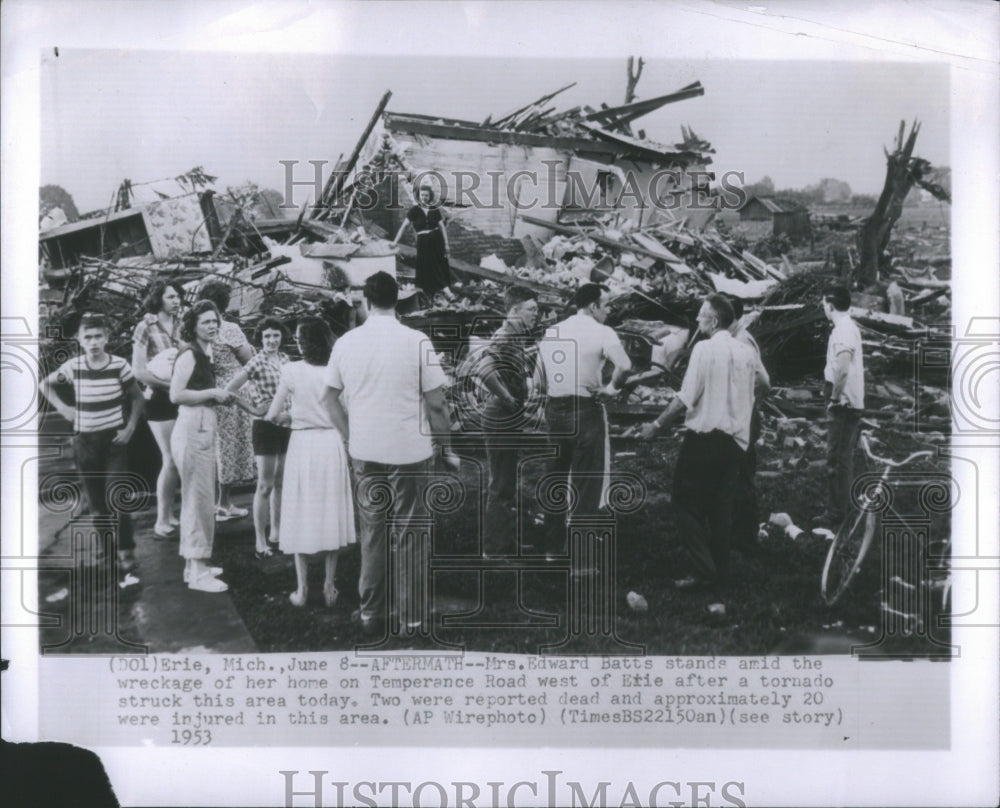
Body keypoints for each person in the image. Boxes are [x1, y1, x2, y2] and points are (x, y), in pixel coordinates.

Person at [325, 271, 457, 635]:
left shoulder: (346, 343)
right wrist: (446, 448)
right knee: (411, 533)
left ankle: (371, 614)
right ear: (398, 300)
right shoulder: (417, 340)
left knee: (373, 532)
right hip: (408, 451)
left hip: (365, 450)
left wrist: (350, 437)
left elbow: (329, 399)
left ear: (365, 302)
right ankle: (412, 618)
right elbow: (437, 404)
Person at [640, 294, 769, 618]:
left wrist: (656, 424)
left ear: (713, 321)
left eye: (701, 317)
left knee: (683, 504)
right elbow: (763, 386)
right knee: (721, 510)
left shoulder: (704, 349)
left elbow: (685, 397)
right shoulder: (746, 351)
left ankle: (705, 567)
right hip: (735, 442)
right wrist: (744, 414)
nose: (697, 322)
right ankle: (718, 577)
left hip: (704, 439)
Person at [39, 312, 144, 580]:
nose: (94, 341)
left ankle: (126, 552)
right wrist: (64, 409)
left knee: (116, 498)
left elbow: (137, 398)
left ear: (106, 338)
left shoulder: (119, 365)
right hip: (85, 443)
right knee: (97, 505)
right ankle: (107, 555)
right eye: (88, 337)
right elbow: (44, 384)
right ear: (80, 340)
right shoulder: (73, 368)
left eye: (98, 336)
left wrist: (130, 428)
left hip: (114, 443)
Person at [536, 283, 632, 560]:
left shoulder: (553, 331)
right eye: (607, 304)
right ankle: (581, 555)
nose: (610, 309)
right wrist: (611, 389)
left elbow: (537, 379)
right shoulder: (603, 332)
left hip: (556, 409)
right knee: (586, 483)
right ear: (593, 306)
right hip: (585, 409)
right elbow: (624, 365)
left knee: (555, 477)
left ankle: (553, 549)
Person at [266, 317, 355, 608]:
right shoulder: (338, 369)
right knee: (331, 510)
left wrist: (292, 416)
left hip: (302, 445)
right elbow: (346, 411)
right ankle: (329, 587)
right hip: (330, 444)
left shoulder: (290, 370)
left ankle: (302, 590)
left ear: (303, 343)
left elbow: (273, 414)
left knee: (298, 509)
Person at [169, 300, 233, 593]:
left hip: (202, 425)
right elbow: (176, 394)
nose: (212, 326)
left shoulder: (203, 352)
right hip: (193, 427)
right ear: (193, 325)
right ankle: (198, 573)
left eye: (215, 321)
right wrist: (213, 393)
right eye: (206, 321)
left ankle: (192, 565)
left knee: (199, 499)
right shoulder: (190, 354)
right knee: (199, 500)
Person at [474, 287, 540, 557]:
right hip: (500, 415)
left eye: (537, 311)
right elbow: (483, 370)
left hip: (507, 416)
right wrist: (509, 398)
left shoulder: (515, 337)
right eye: (531, 310)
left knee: (507, 482)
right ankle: (493, 549)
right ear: (513, 311)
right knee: (500, 484)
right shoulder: (504, 336)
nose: (536, 315)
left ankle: (506, 542)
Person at [225, 317, 292, 558]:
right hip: (264, 428)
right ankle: (260, 541)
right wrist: (253, 409)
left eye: (275, 335)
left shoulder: (286, 360)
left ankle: (276, 532)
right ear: (260, 339)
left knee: (281, 483)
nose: (272, 340)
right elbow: (230, 389)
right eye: (267, 337)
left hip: (286, 424)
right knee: (264, 485)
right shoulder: (255, 362)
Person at [196, 280, 255, 521]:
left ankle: (209, 502)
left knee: (213, 446)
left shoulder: (196, 329)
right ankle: (224, 503)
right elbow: (249, 361)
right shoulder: (228, 328)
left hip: (206, 389)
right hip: (232, 390)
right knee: (228, 447)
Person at [131, 280, 183, 539]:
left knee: (181, 459)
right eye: (171, 296)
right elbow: (139, 372)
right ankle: (161, 519)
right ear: (158, 299)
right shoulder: (146, 327)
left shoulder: (182, 323)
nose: (176, 300)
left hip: (182, 397)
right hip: (159, 399)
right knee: (170, 459)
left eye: (177, 296)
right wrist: (170, 386)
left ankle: (172, 514)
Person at [818, 285, 865, 525]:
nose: (823, 308)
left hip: (843, 403)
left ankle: (836, 512)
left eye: (824, 304)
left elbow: (843, 368)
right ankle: (841, 507)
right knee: (843, 456)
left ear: (830, 306)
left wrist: (834, 399)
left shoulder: (843, 331)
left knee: (836, 457)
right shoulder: (847, 327)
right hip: (848, 400)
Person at [728, 297, 765, 553]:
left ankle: (747, 537)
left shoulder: (742, 341)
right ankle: (737, 531)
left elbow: (764, 381)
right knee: (736, 473)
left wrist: (745, 398)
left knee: (743, 475)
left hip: (745, 415)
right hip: (740, 414)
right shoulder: (735, 337)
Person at [391, 185, 455, 302]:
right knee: (428, 266)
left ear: (430, 196)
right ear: (419, 197)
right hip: (423, 242)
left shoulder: (434, 210)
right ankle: (441, 292)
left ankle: (442, 291)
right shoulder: (414, 211)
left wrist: (446, 245)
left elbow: (442, 228)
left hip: (436, 240)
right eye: (422, 195)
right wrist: (395, 242)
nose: (424, 197)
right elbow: (403, 227)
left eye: (426, 195)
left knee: (439, 265)